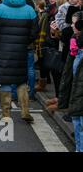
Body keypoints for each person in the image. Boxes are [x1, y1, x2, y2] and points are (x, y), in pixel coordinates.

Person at [0, 0, 39, 124]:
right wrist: (24, 42)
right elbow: (35, 32)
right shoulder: (30, 10)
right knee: (21, 80)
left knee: (5, 82)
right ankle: (25, 111)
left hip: (2, 51)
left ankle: (6, 115)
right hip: (21, 50)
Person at [58, 12, 83, 152]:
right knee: (78, 125)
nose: (72, 26)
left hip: (79, 99)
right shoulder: (75, 43)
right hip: (76, 98)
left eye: (75, 24)